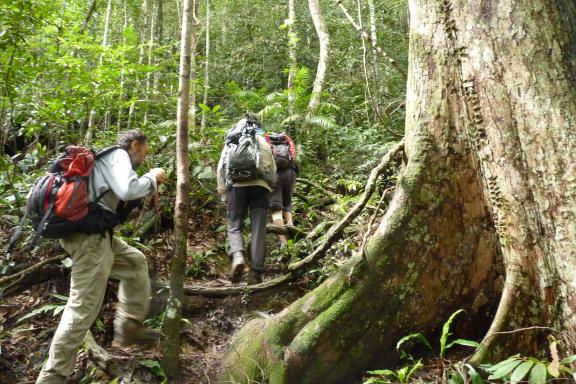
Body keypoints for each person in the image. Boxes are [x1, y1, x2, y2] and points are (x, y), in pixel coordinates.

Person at [36, 129, 167, 384]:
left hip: (97, 236)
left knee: (135, 262)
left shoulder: (106, 160)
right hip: (91, 240)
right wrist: (152, 177)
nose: (145, 157)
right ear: (135, 145)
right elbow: (129, 189)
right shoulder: (118, 155)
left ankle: (128, 327)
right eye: (145, 151)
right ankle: (52, 377)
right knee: (82, 309)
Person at [217, 113, 276, 284]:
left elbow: (222, 166)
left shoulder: (233, 139)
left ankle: (238, 256)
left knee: (234, 225)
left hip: (237, 188)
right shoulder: (262, 141)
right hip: (261, 187)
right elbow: (272, 167)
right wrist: (268, 187)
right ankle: (255, 274)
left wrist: (223, 192)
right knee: (258, 231)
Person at [266, 131, 297, 248]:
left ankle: (284, 243)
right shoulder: (287, 142)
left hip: (275, 175)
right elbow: (294, 158)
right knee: (287, 204)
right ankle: (291, 231)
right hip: (290, 173)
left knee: (276, 208)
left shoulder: (267, 143)